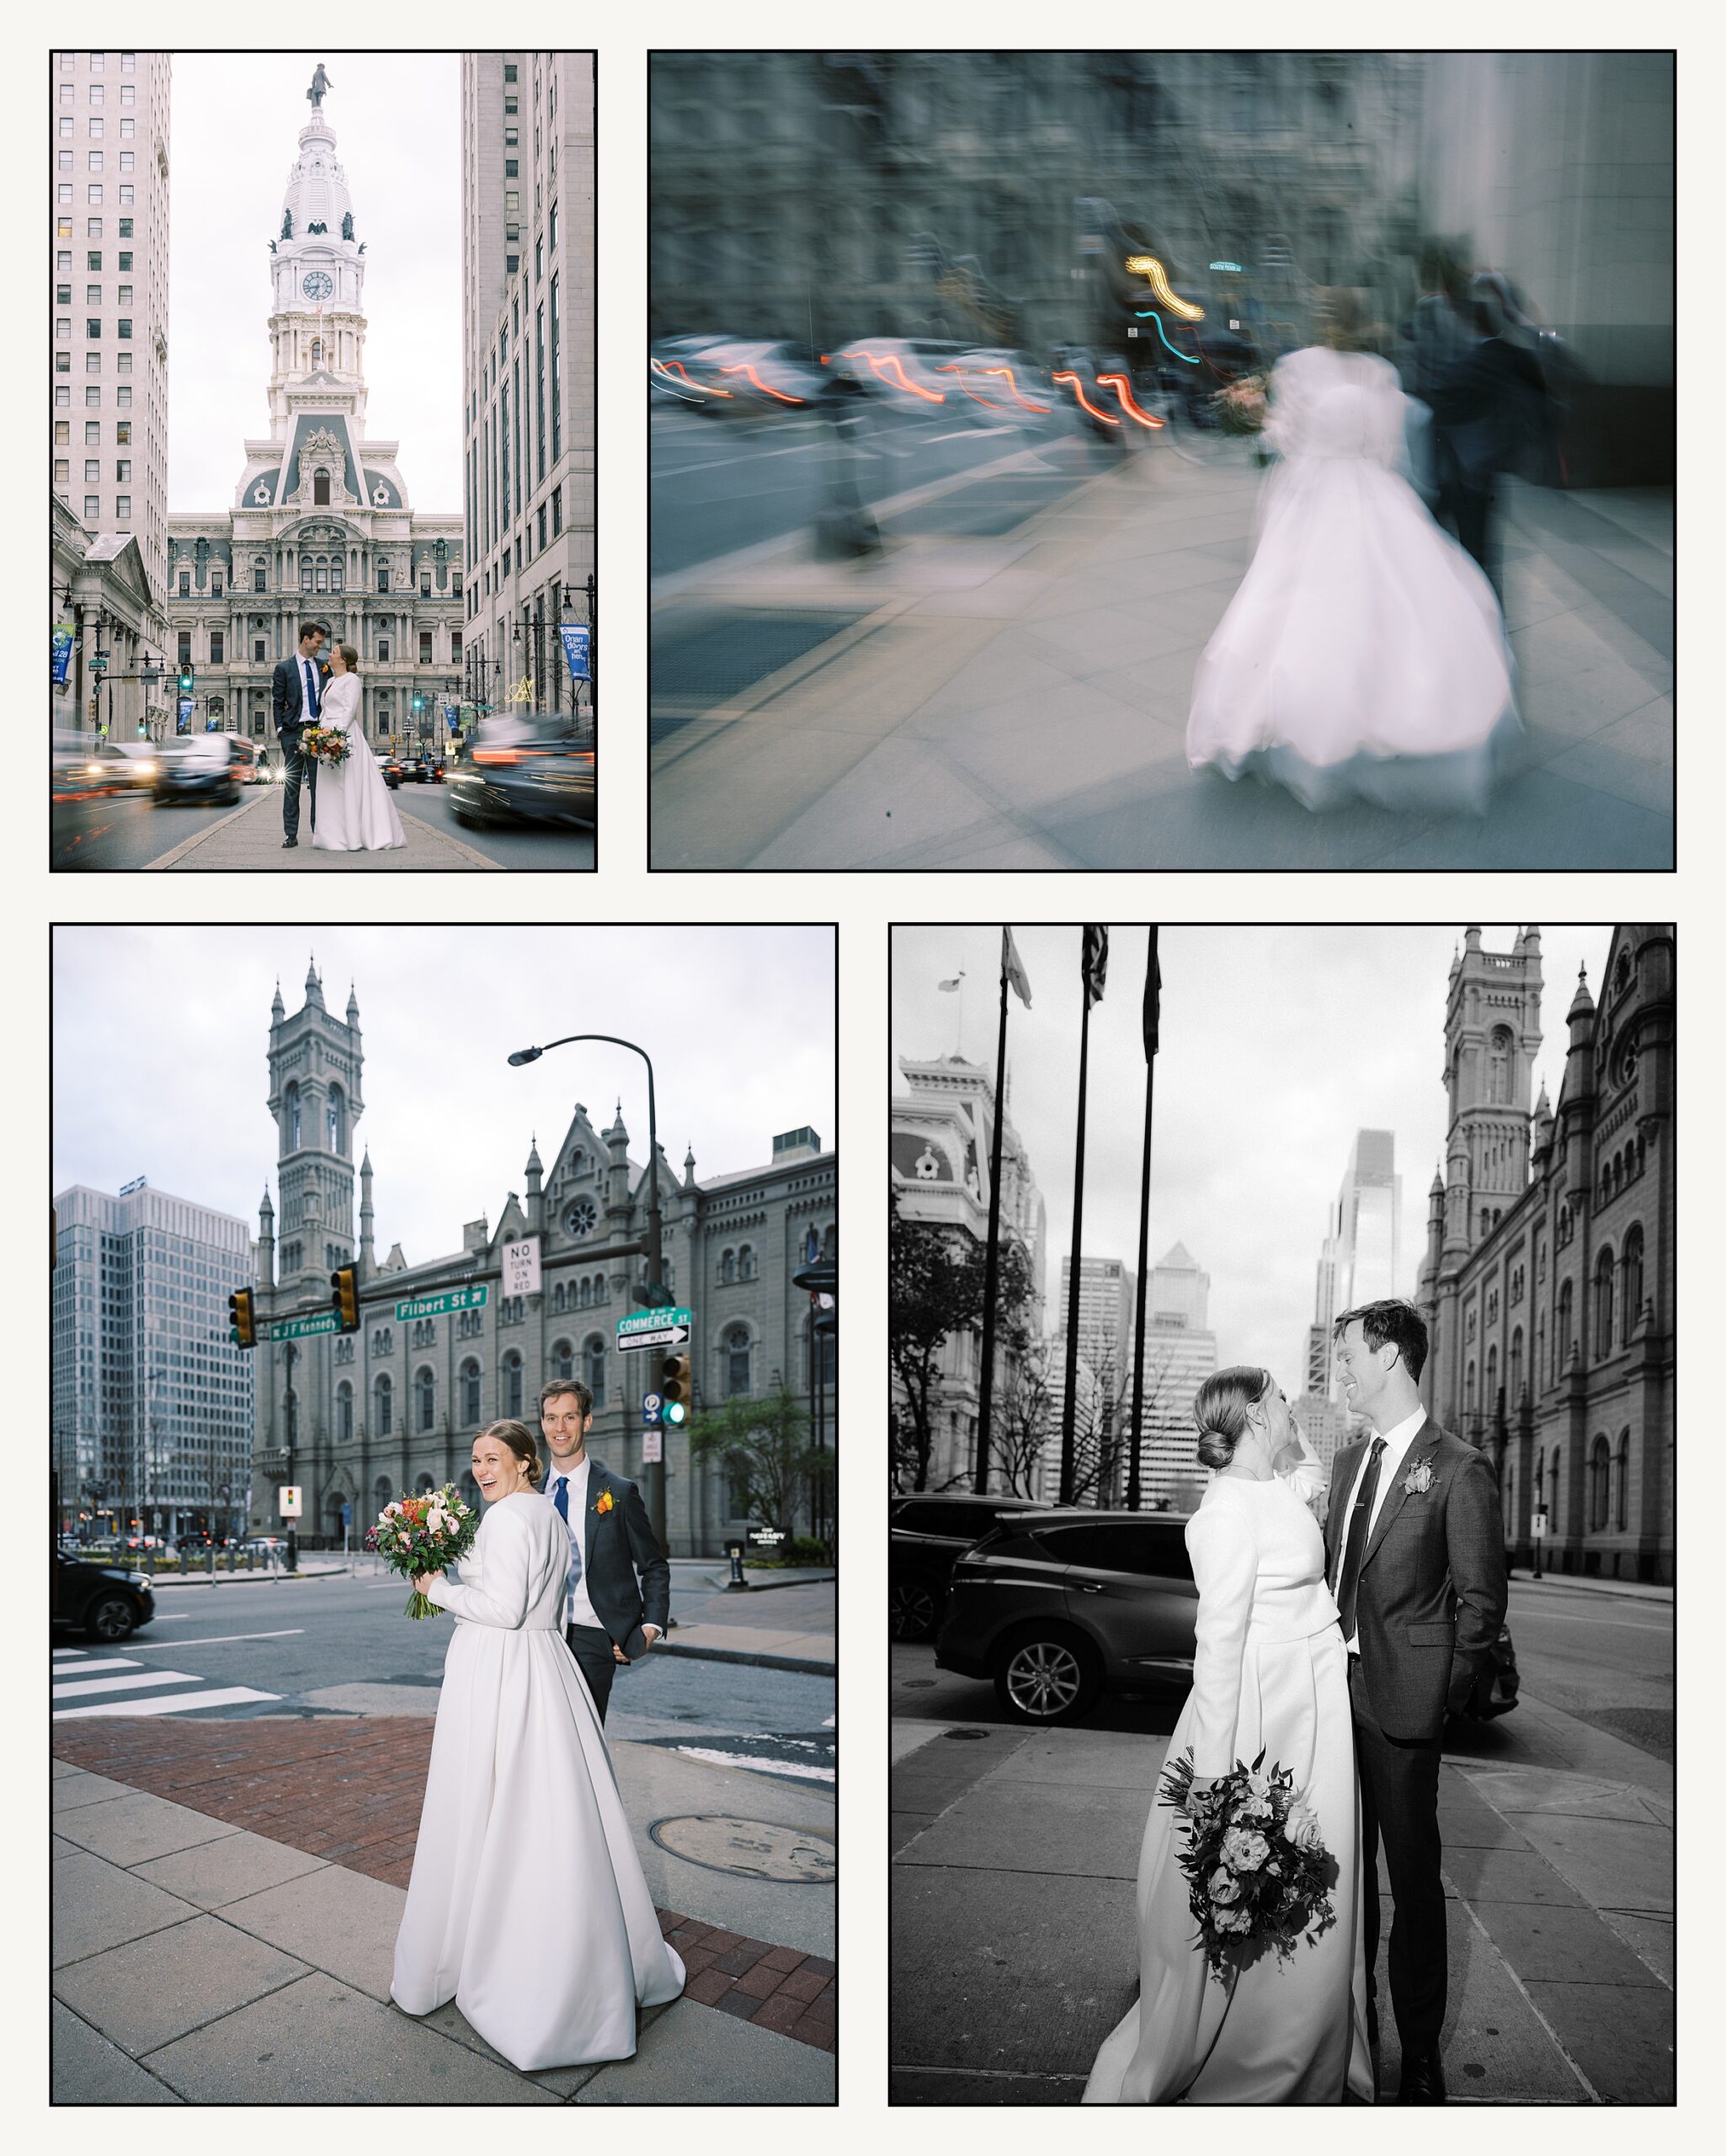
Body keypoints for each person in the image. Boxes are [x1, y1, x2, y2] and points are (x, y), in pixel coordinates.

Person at [1084, 1369, 1373, 2105]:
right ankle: (1245, 2050)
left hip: (1313, 1708)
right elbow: (1216, 1646)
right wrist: (1215, 1781)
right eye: (1277, 1397)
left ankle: (1308, 2039)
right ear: (1251, 1411)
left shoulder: (1279, 1484)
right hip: (1263, 1714)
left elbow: (1305, 1468)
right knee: (1265, 1871)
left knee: (1319, 1868)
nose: (1288, 1407)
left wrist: (1283, 1430)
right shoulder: (1222, 1514)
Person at [391, 1420, 685, 2069]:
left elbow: (501, 1608)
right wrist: (440, 1551)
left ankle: (506, 1963)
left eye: (494, 1458)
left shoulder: (509, 1519)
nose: (481, 1469)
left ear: (527, 1462)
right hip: (540, 1668)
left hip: (500, 1674)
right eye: (475, 1460)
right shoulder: (545, 1515)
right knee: (543, 1813)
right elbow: (534, 1601)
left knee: (491, 1809)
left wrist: (432, 1587)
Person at [1185, 286, 1517, 814]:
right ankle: (1347, 717)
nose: (1328, 320)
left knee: (1327, 601)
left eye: (1330, 313)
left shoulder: (1330, 370)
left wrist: (1260, 424)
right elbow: (1378, 448)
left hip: (1328, 488)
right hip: (1346, 490)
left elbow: (1292, 437)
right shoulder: (1354, 372)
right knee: (1347, 598)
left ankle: (1331, 717)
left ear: (1337, 321)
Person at [1327, 1301, 1508, 2104]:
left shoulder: (1459, 1468)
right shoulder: (1344, 1465)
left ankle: (1422, 2053)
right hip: (1331, 1701)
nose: (1341, 1371)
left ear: (1393, 1355)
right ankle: (1355, 2029)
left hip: (1403, 1710)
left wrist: (1440, 1699)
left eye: (1349, 1356)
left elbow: (1481, 1606)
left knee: (1413, 1882)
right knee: (1344, 1880)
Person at [539, 1379, 669, 1724]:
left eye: (569, 1417)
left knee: (583, 1747)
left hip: (591, 1637)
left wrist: (649, 1626)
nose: (560, 1428)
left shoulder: (619, 1492)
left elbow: (653, 1566)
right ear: (542, 1424)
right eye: (551, 1418)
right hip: (535, 1637)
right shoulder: (528, 1495)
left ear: (587, 1422)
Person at [1425, 275, 1553, 598]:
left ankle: (1471, 613)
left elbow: (1438, 402)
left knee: (1459, 552)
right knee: (1477, 551)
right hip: (1484, 470)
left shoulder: (1469, 366)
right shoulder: (1518, 360)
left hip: (1460, 471)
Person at [309, 643, 405, 851]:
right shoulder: (331, 681)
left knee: (346, 785)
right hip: (326, 736)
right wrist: (318, 735)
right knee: (329, 788)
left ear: (343, 659)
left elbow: (349, 711)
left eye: (334, 652)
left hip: (343, 738)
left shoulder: (352, 680)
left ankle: (350, 836)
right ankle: (330, 836)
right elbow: (325, 711)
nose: (329, 654)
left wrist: (336, 739)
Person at [270, 622, 329, 848]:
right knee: (292, 786)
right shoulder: (284, 668)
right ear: (306, 639)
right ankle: (291, 834)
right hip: (293, 732)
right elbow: (277, 702)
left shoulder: (324, 668)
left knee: (318, 787)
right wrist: (280, 731)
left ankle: (319, 833)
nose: (319, 647)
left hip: (317, 732)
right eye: (317, 642)